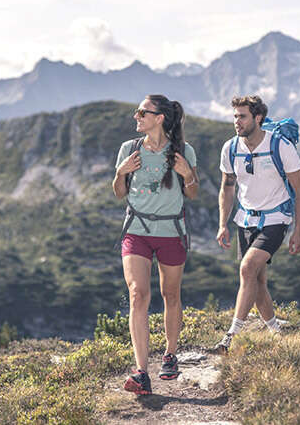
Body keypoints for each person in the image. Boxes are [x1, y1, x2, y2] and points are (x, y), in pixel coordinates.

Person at [112, 95, 199, 395]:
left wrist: (188, 175)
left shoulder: (183, 151)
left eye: (142, 112)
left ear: (159, 118)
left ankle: (170, 355)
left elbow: (193, 193)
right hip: (136, 230)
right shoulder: (129, 149)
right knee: (137, 294)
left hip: (171, 232)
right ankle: (140, 372)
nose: (136, 116)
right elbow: (119, 193)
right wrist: (120, 173)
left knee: (170, 294)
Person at [213, 95, 300, 354]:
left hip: (276, 218)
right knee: (257, 281)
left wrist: (298, 231)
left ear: (258, 118)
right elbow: (227, 187)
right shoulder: (230, 148)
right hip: (245, 219)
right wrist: (223, 224)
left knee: (247, 269)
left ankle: (231, 335)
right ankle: (276, 331)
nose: (236, 121)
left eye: (242, 116)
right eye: (234, 116)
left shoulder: (280, 146)